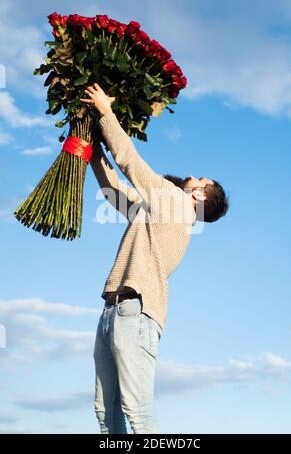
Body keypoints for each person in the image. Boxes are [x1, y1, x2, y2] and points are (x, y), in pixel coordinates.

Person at [80, 83, 229, 434]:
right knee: (107, 411)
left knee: (137, 410)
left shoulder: (176, 203)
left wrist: (105, 112)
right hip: (113, 309)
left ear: (199, 196)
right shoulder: (159, 210)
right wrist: (92, 150)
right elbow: (115, 194)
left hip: (136, 310)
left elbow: (131, 162)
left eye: (201, 179)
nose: (194, 175)